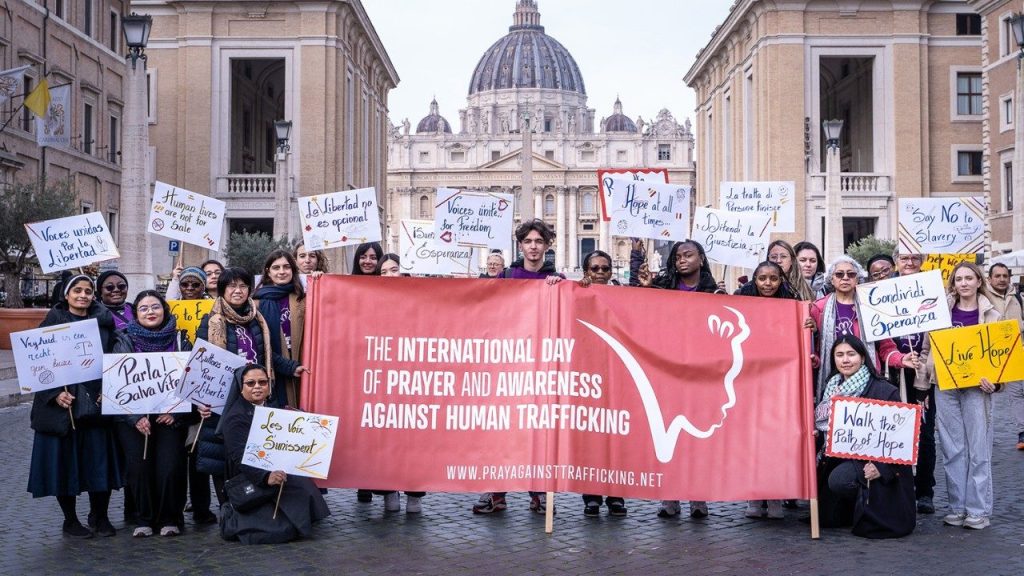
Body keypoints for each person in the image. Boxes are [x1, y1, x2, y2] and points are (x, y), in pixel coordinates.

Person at [195, 268, 308, 503]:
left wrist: (290, 367)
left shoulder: (257, 319)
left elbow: (268, 354)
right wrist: (199, 401)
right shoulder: (211, 321)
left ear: (249, 289)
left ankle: (256, 505)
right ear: (223, 290)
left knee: (258, 451)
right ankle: (229, 506)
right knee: (224, 455)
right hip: (224, 399)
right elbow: (200, 363)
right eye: (232, 286)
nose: (237, 291)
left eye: (243, 286)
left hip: (257, 395)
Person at [473, 220, 563, 515]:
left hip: (542, 366)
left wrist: (561, 290)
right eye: (529, 241)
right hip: (509, 363)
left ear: (547, 246)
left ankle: (538, 494)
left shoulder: (558, 280)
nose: (534, 246)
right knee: (502, 432)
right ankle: (496, 493)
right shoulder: (507, 276)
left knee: (538, 432)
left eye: (539, 241)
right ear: (521, 245)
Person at [28, 274, 125, 538]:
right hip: (62, 410)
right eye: (77, 290)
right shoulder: (50, 324)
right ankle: (70, 520)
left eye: (88, 291)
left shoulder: (105, 326)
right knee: (64, 465)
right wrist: (55, 393)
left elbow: (116, 359)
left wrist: (110, 388)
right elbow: (37, 365)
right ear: (67, 295)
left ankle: (100, 516)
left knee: (99, 463)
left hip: (96, 405)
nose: (83, 295)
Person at [915, 262, 1003, 530]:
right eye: (959, 279)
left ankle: (978, 509)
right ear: (953, 283)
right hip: (945, 386)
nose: (964, 283)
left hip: (978, 387)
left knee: (978, 448)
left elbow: (1000, 356)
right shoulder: (940, 313)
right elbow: (926, 350)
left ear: (979, 281)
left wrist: (996, 384)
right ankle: (957, 506)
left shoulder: (993, 315)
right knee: (953, 448)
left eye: (969, 278)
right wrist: (922, 389)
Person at [637, 239, 720, 520]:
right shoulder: (661, 288)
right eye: (678, 257)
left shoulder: (714, 291)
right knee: (668, 437)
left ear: (700, 258)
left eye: (688, 255)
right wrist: (646, 289)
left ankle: (698, 497)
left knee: (697, 439)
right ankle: (669, 496)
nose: (682, 260)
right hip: (668, 372)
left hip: (702, 375)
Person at [814, 335, 916, 538]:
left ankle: (866, 504)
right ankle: (850, 508)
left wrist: (883, 469)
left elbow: (902, 439)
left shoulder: (884, 391)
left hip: (872, 463)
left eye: (851, 354)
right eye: (839, 355)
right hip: (837, 458)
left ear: (862, 357)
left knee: (840, 480)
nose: (845, 360)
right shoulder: (830, 389)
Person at [112, 291, 194, 537]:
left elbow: (193, 380)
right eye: (144, 308)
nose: (150, 312)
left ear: (165, 310)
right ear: (135, 314)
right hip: (136, 421)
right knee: (140, 469)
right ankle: (144, 518)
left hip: (170, 419)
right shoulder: (123, 341)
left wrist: (178, 415)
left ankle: (170, 517)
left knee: (170, 468)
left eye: (155, 307)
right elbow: (116, 385)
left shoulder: (181, 340)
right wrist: (134, 418)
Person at [219, 365, 330, 544]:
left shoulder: (270, 407)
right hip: (250, 474)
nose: (257, 386)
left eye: (262, 382)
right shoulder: (234, 418)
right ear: (241, 387)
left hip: (270, 466)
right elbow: (239, 457)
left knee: (301, 485)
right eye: (250, 383)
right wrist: (265, 477)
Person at [735, 261, 798, 518]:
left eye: (773, 278)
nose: (768, 283)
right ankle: (754, 496)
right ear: (755, 280)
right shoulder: (742, 305)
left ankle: (775, 497)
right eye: (762, 278)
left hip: (780, 382)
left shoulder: (792, 306)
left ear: (781, 280)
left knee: (776, 441)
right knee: (751, 442)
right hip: (749, 382)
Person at [808, 256, 919, 400]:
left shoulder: (871, 305)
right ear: (832, 279)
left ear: (857, 279)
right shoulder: (818, 308)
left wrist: (901, 359)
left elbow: (886, 347)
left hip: (868, 384)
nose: (845, 278)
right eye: (839, 274)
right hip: (831, 381)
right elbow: (815, 349)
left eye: (851, 274)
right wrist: (814, 360)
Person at [577, 250, 628, 517]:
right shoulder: (577, 294)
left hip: (617, 373)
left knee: (617, 437)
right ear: (586, 271)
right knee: (592, 437)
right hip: (588, 374)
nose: (599, 273)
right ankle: (592, 495)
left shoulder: (623, 296)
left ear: (611, 271)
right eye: (594, 269)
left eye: (604, 269)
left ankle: (616, 494)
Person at [886, 249, 936, 513]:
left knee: (925, 433)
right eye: (904, 258)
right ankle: (897, 487)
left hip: (924, 373)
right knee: (894, 432)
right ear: (896, 261)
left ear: (922, 261)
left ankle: (925, 490)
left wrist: (923, 363)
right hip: (893, 370)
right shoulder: (884, 290)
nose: (909, 262)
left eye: (915, 258)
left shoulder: (933, 288)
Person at [254, 250, 307, 408]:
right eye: (276, 268)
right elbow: (260, 346)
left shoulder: (305, 299)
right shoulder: (256, 303)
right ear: (268, 272)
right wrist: (288, 366)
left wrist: (320, 278)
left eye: (286, 267)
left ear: (293, 270)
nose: (282, 272)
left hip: (304, 370)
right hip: (275, 374)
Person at [987, 263, 1024, 450]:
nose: (1001, 279)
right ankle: (985, 433)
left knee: (1017, 393)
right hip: (989, 354)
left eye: (1004, 276)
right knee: (987, 395)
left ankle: (1022, 432)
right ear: (990, 278)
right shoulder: (982, 295)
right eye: (997, 276)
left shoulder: (1016, 296)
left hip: (1015, 351)